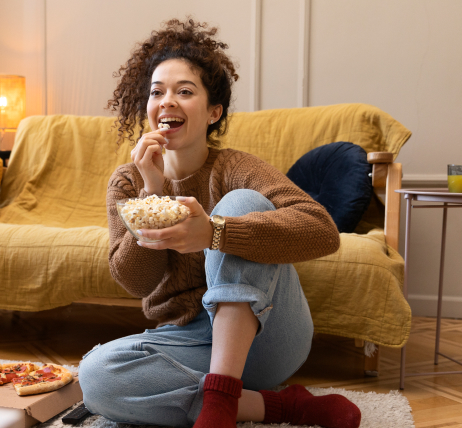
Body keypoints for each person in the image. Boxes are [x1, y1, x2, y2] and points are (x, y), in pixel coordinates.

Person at [78, 18, 362, 428]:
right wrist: (151, 193)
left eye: (185, 91)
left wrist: (215, 232)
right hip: (190, 342)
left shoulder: (235, 168)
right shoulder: (128, 181)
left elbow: (322, 231)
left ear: (214, 112)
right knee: (96, 377)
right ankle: (276, 406)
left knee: (242, 203)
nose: (168, 101)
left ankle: (219, 404)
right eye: (157, 92)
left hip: (268, 338)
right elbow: (136, 281)